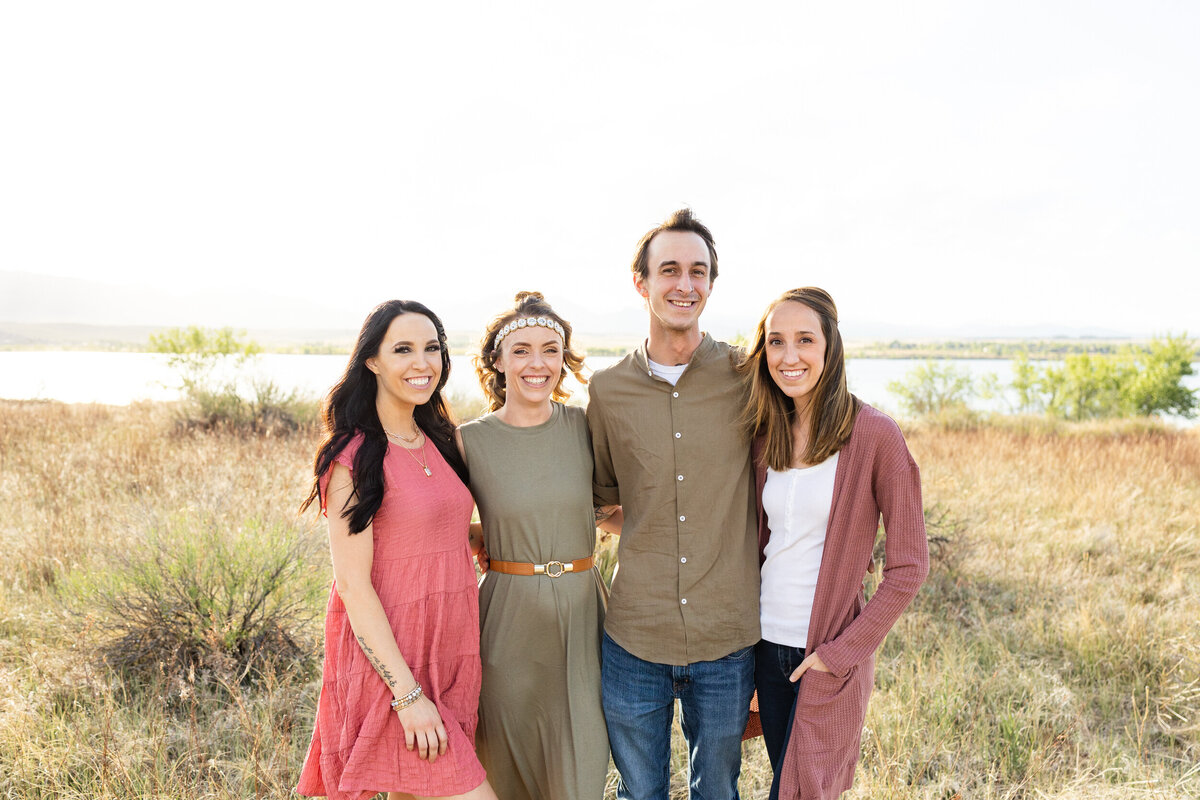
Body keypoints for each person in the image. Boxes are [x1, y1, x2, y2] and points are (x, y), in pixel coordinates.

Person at [588, 209, 760, 800]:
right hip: (634, 636)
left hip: (728, 637)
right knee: (642, 795)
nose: (684, 284)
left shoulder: (748, 375)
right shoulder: (608, 390)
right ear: (642, 283)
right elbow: (603, 501)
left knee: (718, 794)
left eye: (698, 271)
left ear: (711, 284)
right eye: (669, 270)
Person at [296, 300, 498, 800]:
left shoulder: (438, 438)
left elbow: (426, 525)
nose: (422, 362)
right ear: (372, 361)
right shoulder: (353, 456)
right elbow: (353, 584)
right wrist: (407, 697)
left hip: (447, 651)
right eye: (403, 349)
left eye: (432, 348)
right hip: (391, 666)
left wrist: (476, 538)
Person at [738, 287, 929, 800]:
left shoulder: (875, 436)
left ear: (830, 347)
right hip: (765, 648)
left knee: (805, 792)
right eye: (775, 342)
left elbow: (910, 567)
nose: (789, 355)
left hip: (824, 656)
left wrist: (840, 653)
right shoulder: (766, 433)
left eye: (804, 339)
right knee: (785, 780)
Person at [456, 291, 617, 800]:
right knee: (506, 772)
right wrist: (482, 537)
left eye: (550, 349)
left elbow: (612, 513)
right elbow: (442, 523)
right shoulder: (468, 441)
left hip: (583, 611)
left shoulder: (586, 427)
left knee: (581, 775)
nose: (537, 363)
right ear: (498, 362)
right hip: (507, 619)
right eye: (521, 350)